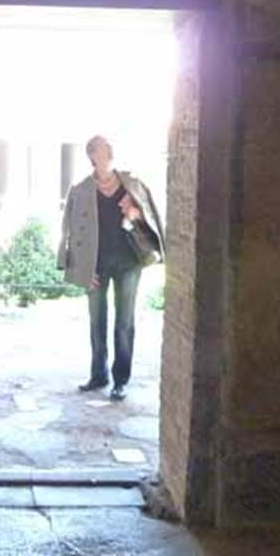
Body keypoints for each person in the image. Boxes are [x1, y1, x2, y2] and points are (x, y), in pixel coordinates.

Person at [56, 135, 165, 401]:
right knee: (97, 320)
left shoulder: (133, 185)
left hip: (128, 262)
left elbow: (150, 221)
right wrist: (80, 272)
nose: (109, 152)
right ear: (93, 155)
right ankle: (98, 374)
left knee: (124, 322)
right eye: (103, 149)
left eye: (110, 148)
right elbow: (70, 233)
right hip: (96, 265)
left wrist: (134, 214)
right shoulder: (81, 190)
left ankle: (120, 380)